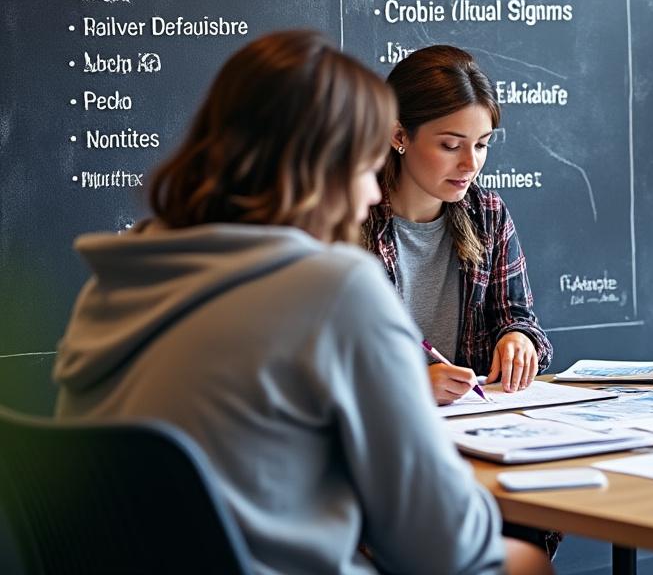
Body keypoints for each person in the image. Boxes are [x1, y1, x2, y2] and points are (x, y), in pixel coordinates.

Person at [52, 31, 550, 575]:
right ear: (315, 166)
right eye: (363, 167)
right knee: (525, 563)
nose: (374, 193)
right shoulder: (334, 288)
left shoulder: (113, 285)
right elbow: (438, 545)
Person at [363, 45, 552, 405]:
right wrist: (410, 384)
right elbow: (320, 364)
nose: (471, 163)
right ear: (399, 136)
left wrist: (519, 339)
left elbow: (519, 318)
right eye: (451, 145)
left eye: (482, 145)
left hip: (475, 424)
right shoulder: (349, 218)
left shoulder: (488, 215)